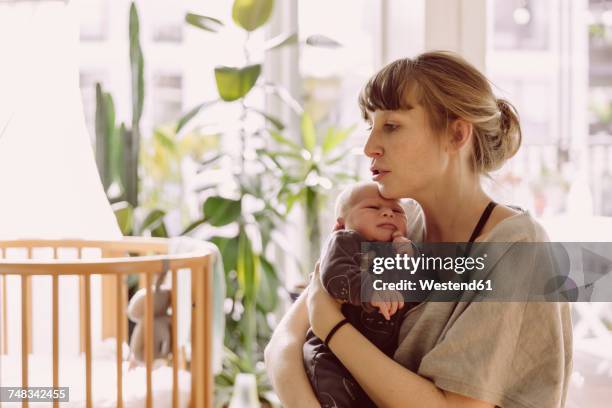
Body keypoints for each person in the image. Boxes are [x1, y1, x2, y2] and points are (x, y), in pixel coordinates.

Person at [265, 51, 573, 408]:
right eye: (371, 125)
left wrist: (330, 326)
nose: (369, 147)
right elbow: (281, 347)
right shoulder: (399, 222)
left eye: (391, 126)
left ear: (457, 134)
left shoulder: (516, 249)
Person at [303, 182, 414, 408]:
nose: (387, 213)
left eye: (397, 211)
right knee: (336, 394)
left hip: (376, 358)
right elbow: (335, 274)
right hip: (331, 355)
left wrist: (409, 257)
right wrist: (370, 289)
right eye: (373, 208)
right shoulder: (346, 241)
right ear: (341, 224)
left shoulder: (401, 248)